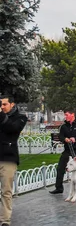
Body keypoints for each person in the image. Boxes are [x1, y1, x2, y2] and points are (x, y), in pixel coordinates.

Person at [0, 95, 28, 226]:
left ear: (12, 104)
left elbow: (13, 129)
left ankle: (5, 220)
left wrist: (0, 115)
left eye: (4, 104)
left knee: (6, 191)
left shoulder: (20, 118)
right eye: (1, 104)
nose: (2, 107)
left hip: (8, 159)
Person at [49, 109, 76, 195]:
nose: (65, 117)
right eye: (65, 115)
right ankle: (58, 188)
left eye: (67, 115)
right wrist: (65, 139)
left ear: (72, 114)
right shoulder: (64, 126)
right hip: (67, 150)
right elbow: (60, 136)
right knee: (60, 168)